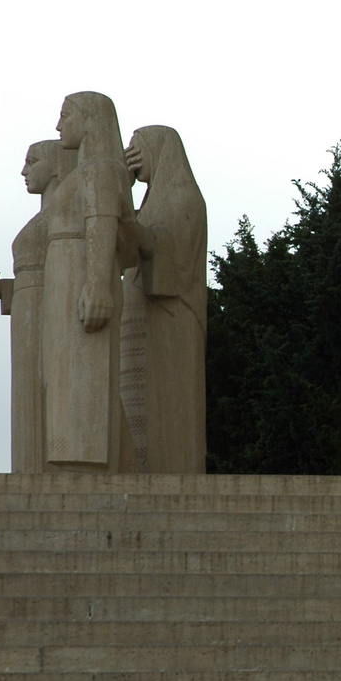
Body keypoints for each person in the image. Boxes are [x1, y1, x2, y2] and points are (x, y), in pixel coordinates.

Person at [0, 140, 78, 471]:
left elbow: (68, 272)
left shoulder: (68, 212)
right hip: (29, 310)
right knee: (28, 398)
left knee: (44, 393)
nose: (24, 171)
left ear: (57, 166)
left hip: (51, 314)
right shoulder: (46, 215)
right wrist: (2, 289)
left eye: (32, 161)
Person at [42, 91, 135, 470]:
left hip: (79, 271)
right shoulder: (86, 171)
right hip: (64, 273)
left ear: (90, 119)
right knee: (66, 375)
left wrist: (97, 285)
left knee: (81, 373)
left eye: (66, 115)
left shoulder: (99, 168)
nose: (59, 124)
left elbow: (102, 222)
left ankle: (82, 457)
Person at [120, 125, 208, 473]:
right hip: (142, 318)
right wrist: (123, 195)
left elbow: (162, 250)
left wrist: (122, 203)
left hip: (173, 320)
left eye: (137, 148)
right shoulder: (149, 203)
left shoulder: (184, 198)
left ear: (158, 151)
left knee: (169, 407)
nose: (131, 155)